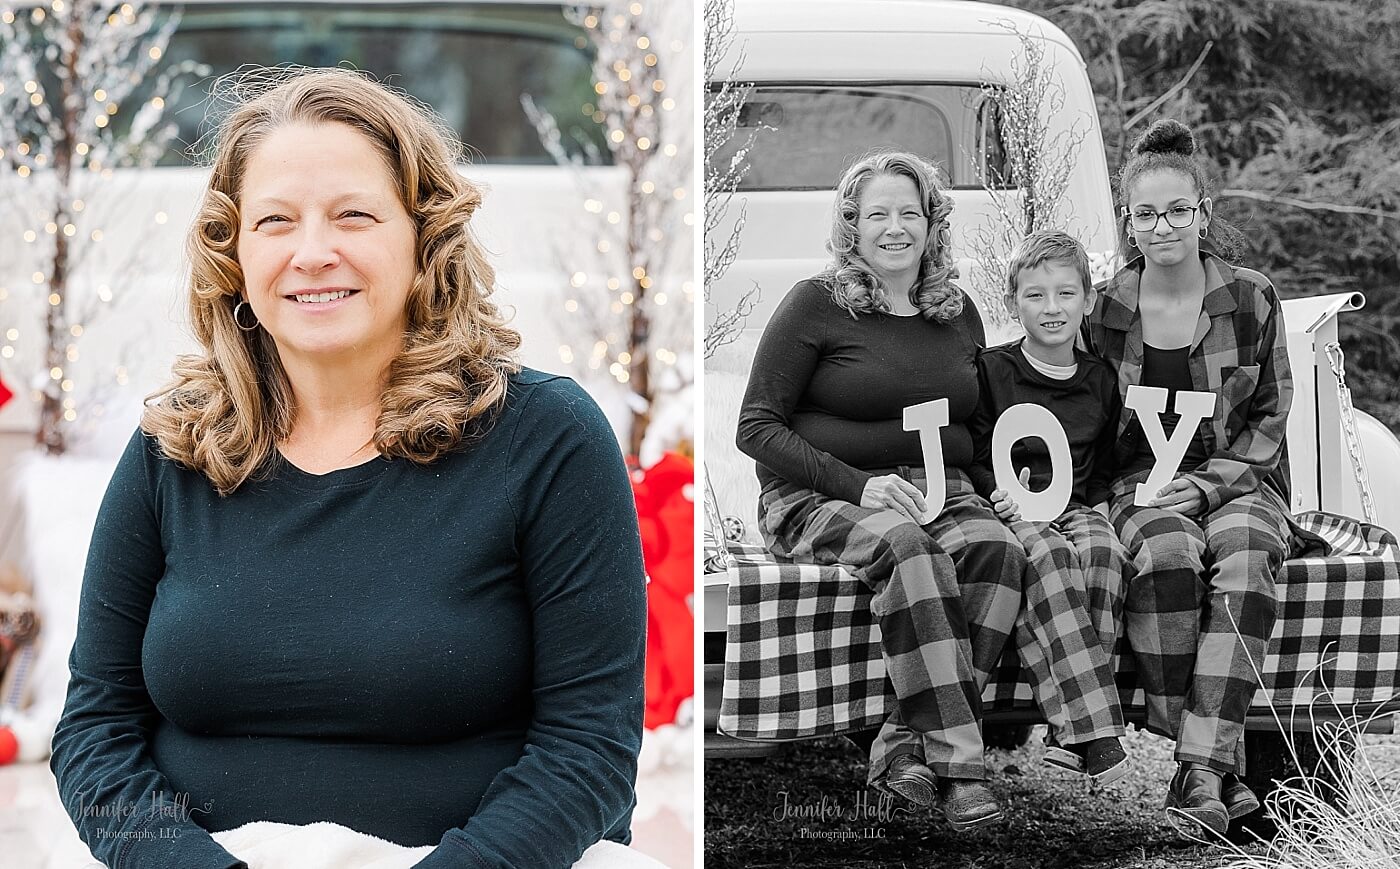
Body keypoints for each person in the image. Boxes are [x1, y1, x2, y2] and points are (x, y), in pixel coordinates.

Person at [49, 68, 651, 869]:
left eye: (353, 216)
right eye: (274, 221)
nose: (312, 253)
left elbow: (590, 747)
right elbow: (93, 730)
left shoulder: (548, 438)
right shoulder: (174, 447)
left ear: (423, 235)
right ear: (234, 253)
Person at [736, 150, 1031, 832]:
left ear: (932, 224)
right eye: (877, 214)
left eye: (909, 212)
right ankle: (961, 767)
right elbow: (755, 426)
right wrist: (859, 486)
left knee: (997, 550)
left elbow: (976, 424)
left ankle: (902, 743)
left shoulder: (958, 314)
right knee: (911, 549)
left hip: (941, 486)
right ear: (851, 226)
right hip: (817, 496)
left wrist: (999, 490)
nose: (894, 228)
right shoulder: (816, 304)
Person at [1084, 118, 1301, 837]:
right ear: (1129, 222)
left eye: (1178, 209)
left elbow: (1271, 416)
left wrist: (1210, 486)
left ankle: (1199, 768)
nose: (1163, 225)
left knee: (1244, 558)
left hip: (1239, 480)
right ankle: (1213, 765)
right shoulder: (1109, 307)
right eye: (1146, 213)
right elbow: (1088, 414)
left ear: (1204, 212)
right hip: (1144, 482)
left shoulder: (1250, 297)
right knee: (1169, 557)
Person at [966, 230, 1130, 784]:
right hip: (1015, 507)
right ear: (1013, 302)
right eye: (1035, 295)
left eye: (1065, 294)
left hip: (1077, 505)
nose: (1052, 308)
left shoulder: (1101, 381)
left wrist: (1104, 505)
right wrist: (995, 491)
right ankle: (1093, 731)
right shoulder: (992, 371)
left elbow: (1104, 461)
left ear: (1087, 300)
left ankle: (1071, 729)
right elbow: (974, 446)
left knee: (1104, 553)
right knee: (1051, 559)